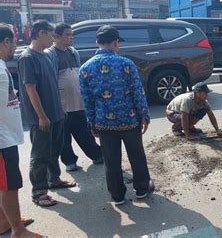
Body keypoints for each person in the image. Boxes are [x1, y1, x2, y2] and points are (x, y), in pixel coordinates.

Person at [79, 25, 154, 205]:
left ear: (97, 43)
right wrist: (144, 115)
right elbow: (138, 92)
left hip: (104, 123)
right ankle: (142, 188)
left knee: (111, 160)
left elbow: (87, 101)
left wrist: (92, 124)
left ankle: (117, 195)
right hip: (129, 120)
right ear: (115, 42)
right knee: (136, 155)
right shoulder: (126, 64)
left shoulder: (85, 68)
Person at [17, 20, 76, 207]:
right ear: (40, 34)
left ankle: (54, 179)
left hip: (56, 114)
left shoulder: (47, 56)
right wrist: (42, 116)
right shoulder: (28, 57)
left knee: (54, 151)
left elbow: (52, 85)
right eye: (51, 35)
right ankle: (39, 192)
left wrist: (60, 110)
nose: (53, 38)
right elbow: (30, 89)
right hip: (41, 118)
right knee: (40, 155)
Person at [0, 24, 40, 238]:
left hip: (6, 137)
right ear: (6, 41)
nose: (16, 46)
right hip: (2, 140)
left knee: (4, 184)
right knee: (10, 185)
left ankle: (5, 222)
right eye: (14, 41)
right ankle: (18, 230)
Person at [45, 23, 103, 172]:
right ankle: (70, 161)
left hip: (77, 99)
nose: (71, 37)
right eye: (67, 35)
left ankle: (97, 155)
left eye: (71, 34)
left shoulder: (72, 52)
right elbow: (50, 80)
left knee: (84, 131)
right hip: (61, 103)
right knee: (64, 136)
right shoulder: (50, 54)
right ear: (56, 36)